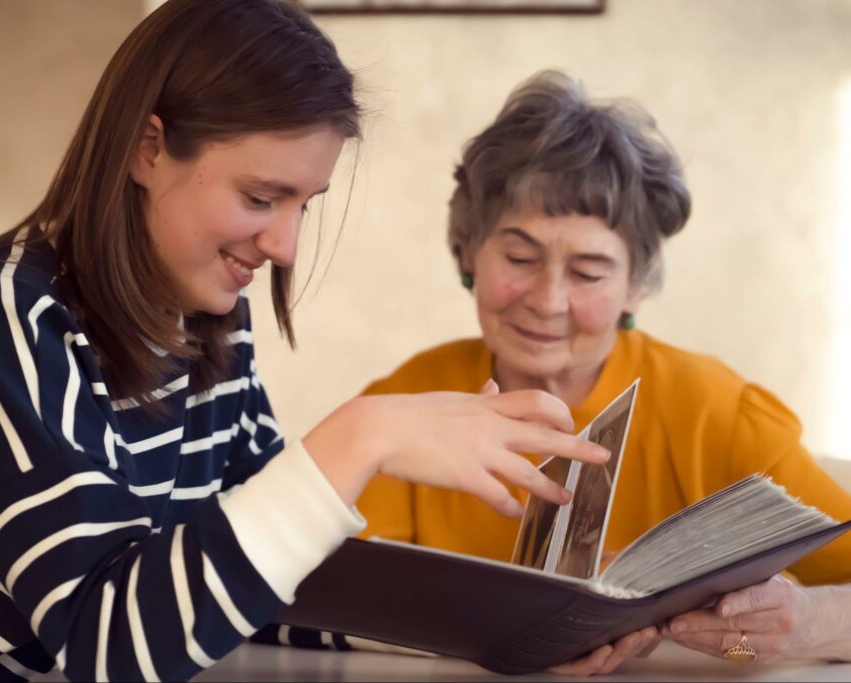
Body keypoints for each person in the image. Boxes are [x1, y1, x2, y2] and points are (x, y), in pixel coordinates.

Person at [0, 4, 609, 682]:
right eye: (261, 196)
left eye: (305, 203)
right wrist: (362, 435)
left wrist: (525, 633)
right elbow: (110, 646)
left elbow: (268, 581)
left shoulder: (206, 323)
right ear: (148, 146)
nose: (287, 245)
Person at [353, 70, 851, 674]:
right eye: (518, 257)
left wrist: (799, 631)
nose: (548, 299)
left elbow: (764, 643)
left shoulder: (717, 412)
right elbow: (335, 602)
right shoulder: (404, 404)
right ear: (467, 252)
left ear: (635, 287)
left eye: (588, 272)